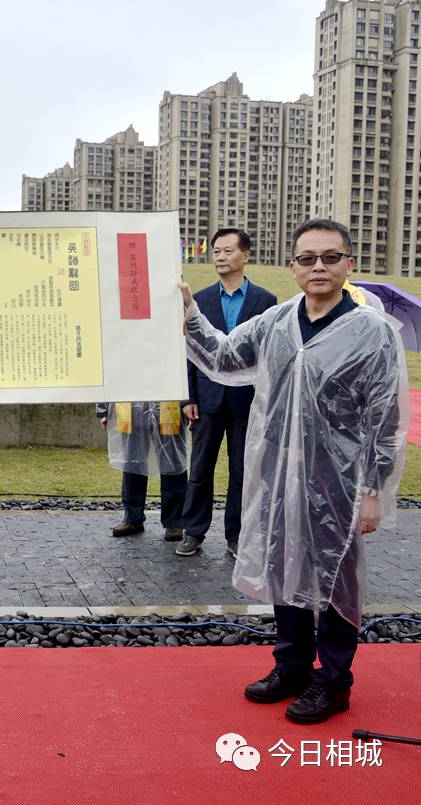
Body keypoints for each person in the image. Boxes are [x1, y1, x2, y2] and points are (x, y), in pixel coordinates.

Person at [180, 218, 407, 724]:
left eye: (330, 257)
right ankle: (292, 666)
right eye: (307, 259)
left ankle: (333, 680)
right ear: (292, 268)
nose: (319, 267)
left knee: (335, 579)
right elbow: (221, 356)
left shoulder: (371, 331)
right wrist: (189, 313)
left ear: (350, 264)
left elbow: (385, 418)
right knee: (286, 570)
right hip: (280, 469)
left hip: (341, 481)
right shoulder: (277, 322)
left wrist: (374, 490)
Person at [177, 229, 277, 559]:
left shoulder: (265, 301)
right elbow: (189, 350)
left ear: (245, 255)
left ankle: (236, 536)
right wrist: (188, 397)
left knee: (242, 471)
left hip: (246, 402)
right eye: (216, 251)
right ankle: (193, 531)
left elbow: (267, 356)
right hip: (205, 400)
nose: (220, 257)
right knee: (200, 468)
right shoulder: (200, 299)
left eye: (227, 251)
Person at [96, 402, 188, 540]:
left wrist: (188, 404)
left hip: (169, 401)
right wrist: (104, 411)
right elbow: (111, 380)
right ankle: (132, 518)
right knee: (132, 461)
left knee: (172, 460)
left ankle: (174, 521)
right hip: (129, 403)